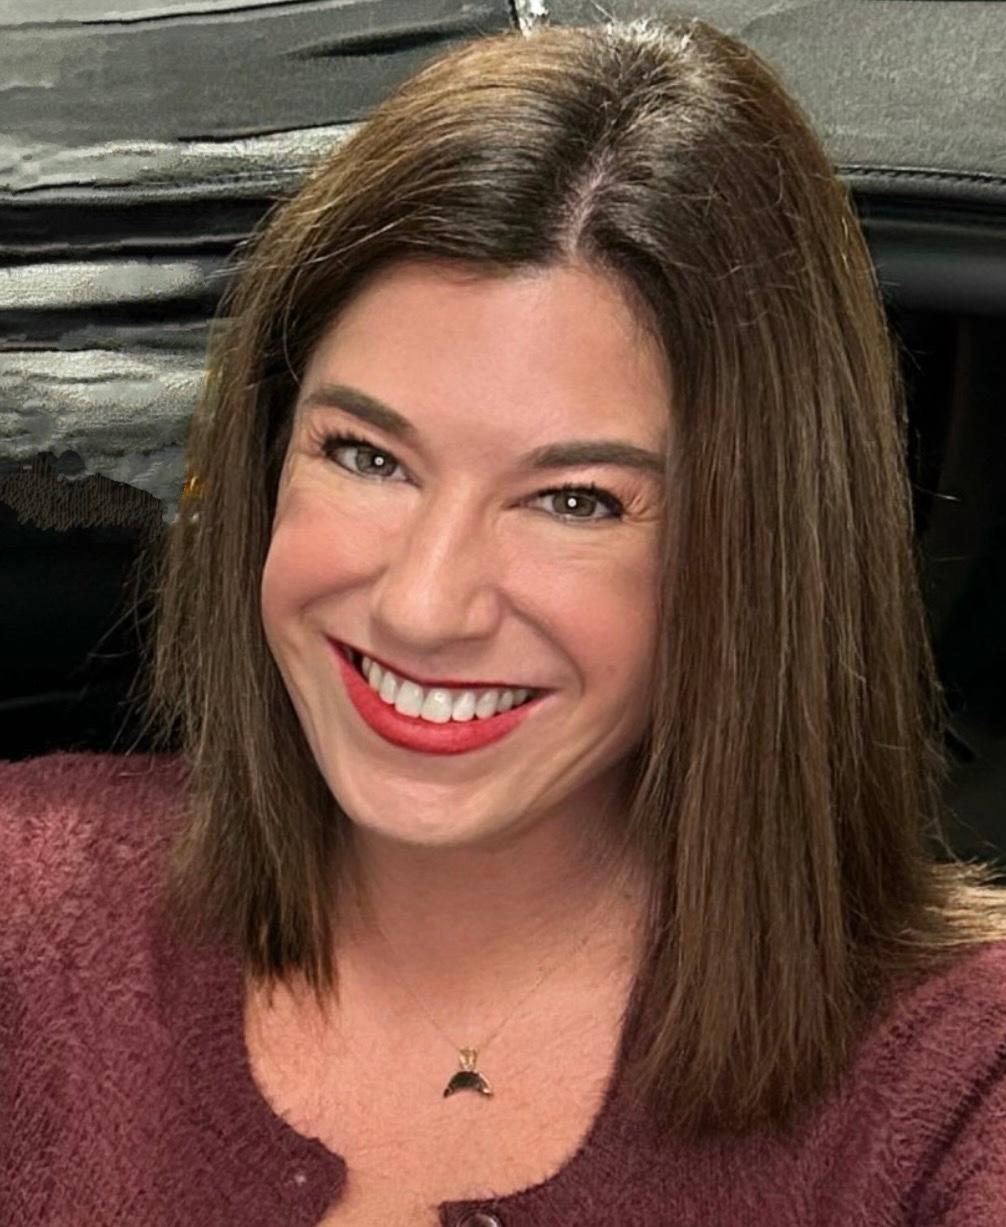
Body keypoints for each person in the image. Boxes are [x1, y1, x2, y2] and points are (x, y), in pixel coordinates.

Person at [2, 16, 1005, 1227]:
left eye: (575, 500)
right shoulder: (26, 903)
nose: (424, 605)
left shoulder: (961, 1084)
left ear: (758, 555)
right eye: (367, 456)